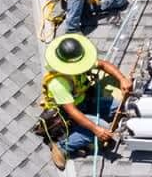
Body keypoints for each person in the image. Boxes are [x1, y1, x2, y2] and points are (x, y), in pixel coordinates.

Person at [40, 34, 130, 169]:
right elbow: (72, 112)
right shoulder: (58, 83)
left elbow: (103, 65)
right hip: (69, 116)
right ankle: (63, 147)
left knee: (121, 107)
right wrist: (96, 129)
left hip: (85, 102)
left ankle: (89, 130)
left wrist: (122, 78)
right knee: (104, 129)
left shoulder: (79, 63)